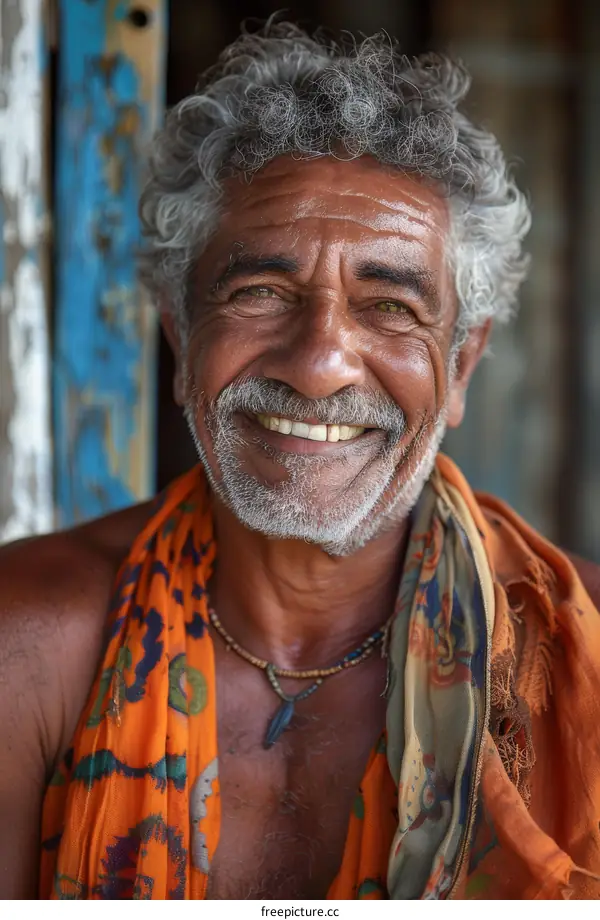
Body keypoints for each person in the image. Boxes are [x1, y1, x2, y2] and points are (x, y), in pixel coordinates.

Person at [1, 22, 600, 902]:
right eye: (260, 293)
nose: (319, 365)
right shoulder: (27, 639)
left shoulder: (582, 658)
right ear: (181, 338)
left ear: (462, 364)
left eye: (390, 306)